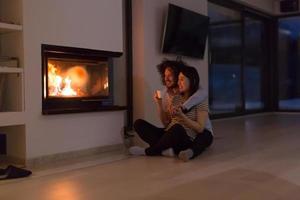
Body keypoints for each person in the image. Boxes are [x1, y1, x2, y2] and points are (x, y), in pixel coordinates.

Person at [130, 60, 212, 161]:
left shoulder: (200, 97)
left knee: (178, 129)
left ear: (191, 80)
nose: (166, 78)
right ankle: (166, 148)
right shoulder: (174, 97)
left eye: (181, 79)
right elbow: (167, 123)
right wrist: (159, 103)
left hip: (189, 136)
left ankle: (150, 151)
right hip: (171, 133)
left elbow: (200, 128)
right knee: (139, 124)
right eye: (165, 75)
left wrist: (182, 115)